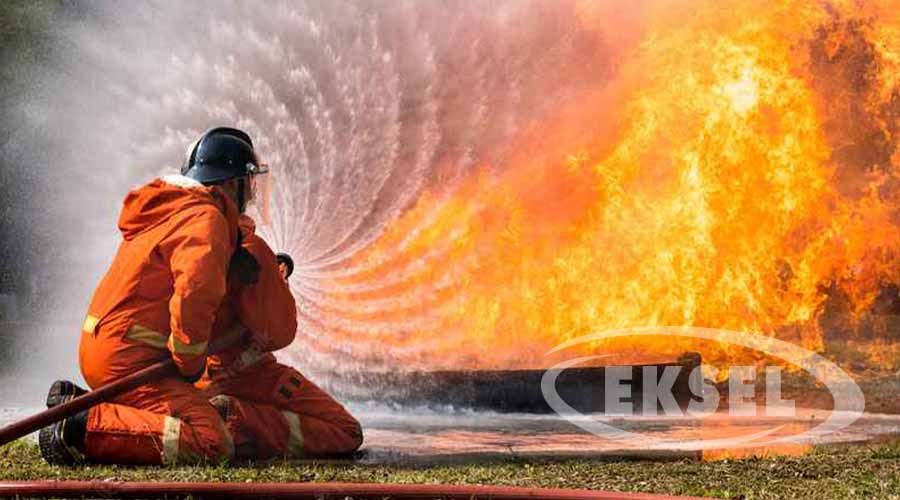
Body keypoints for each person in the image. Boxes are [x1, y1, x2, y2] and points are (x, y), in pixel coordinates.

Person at [41, 128, 265, 465]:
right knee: (212, 441)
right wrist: (190, 362)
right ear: (233, 184)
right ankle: (79, 426)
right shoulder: (206, 219)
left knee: (191, 412)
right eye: (248, 183)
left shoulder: (172, 210)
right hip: (129, 361)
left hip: (106, 349)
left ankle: (80, 403)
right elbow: (194, 293)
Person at [198, 218, 362, 460]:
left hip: (201, 376)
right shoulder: (251, 248)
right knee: (347, 431)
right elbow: (278, 333)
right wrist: (277, 286)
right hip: (255, 374)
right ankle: (237, 417)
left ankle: (226, 425)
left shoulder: (184, 244)